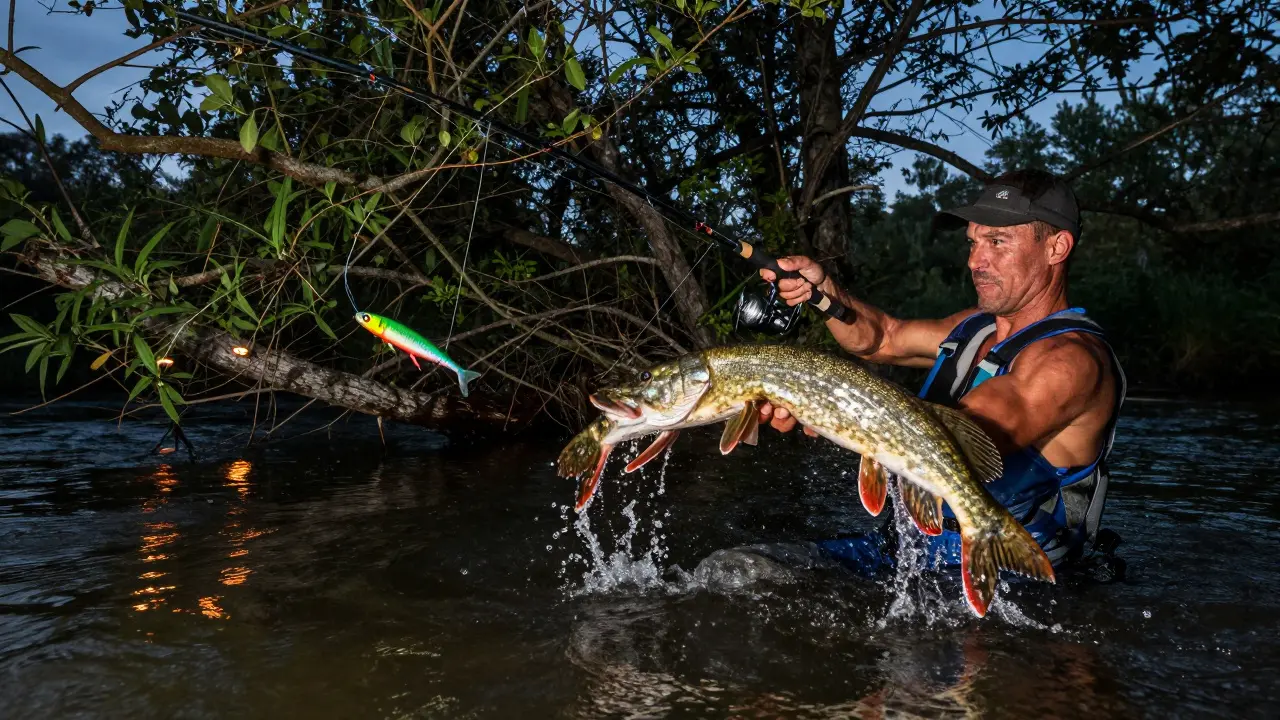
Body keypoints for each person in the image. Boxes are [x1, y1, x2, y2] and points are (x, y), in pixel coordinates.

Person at [758, 168, 1127, 574]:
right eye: (972, 242)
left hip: (1015, 570)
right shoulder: (977, 325)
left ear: (1056, 247)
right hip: (912, 547)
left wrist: (819, 400)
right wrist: (823, 292)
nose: (974, 260)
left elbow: (957, 441)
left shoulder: (1070, 362)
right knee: (748, 568)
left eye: (996, 242)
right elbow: (882, 339)